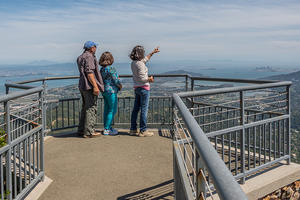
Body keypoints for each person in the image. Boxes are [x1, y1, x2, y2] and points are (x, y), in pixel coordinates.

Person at [129, 45, 160, 137]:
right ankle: (143, 130)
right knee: (144, 110)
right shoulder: (140, 64)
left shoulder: (134, 63)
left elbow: (145, 59)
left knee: (136, 109)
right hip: (144, 89)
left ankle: (133, 129)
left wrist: (152, 53)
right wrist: (149, 79)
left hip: (137, 88)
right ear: (141, 53)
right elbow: (143, 78)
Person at [77, 41, 104, 138]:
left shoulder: (81, 57)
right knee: (91, 107)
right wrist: (96, 86)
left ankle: (81, 130)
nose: (96, 48)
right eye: (95, 46)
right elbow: (89, 73)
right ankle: (89, 132)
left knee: (85, 108)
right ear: (92, 48)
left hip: (82, 85)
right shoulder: (89, 57)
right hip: (89, 86)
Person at [99, 51, 122, 136]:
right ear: (110, 59)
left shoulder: (102, 69)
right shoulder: (111, 69)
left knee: (106, 109)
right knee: (112, 110)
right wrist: (120, 86)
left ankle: (106, 127)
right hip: (111, 91)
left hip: (104, 91)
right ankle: (107, 129)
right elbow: (116, 80)